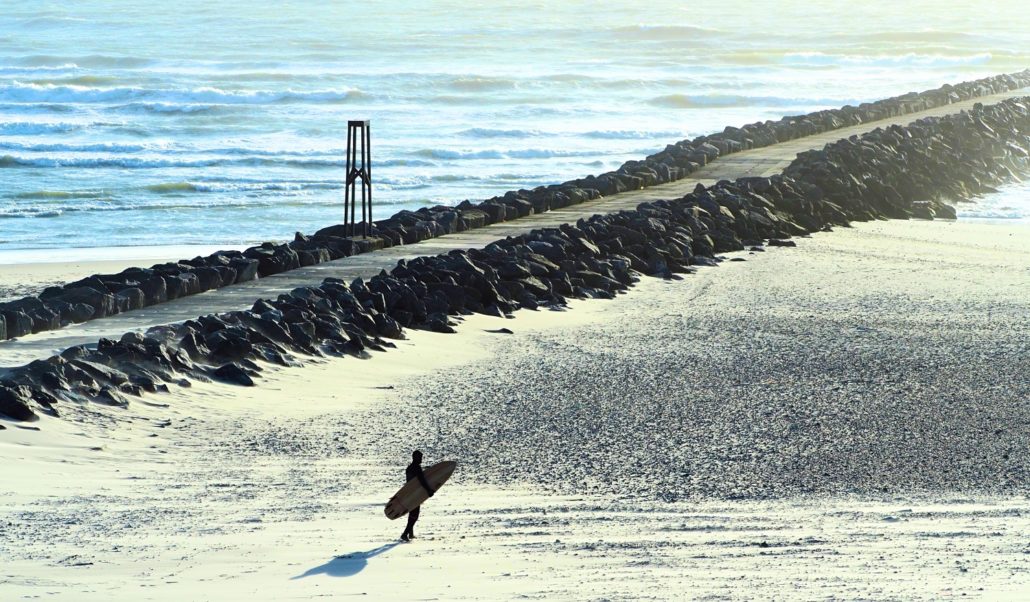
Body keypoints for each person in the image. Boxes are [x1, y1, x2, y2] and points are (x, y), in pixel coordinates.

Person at [401, 450, 434, 541]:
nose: (421, 460)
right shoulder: (417, 468)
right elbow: (421, 481)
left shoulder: (409, 467)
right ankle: (405, 534)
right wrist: (429, 491)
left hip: (409, 493)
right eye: (420, 458)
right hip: (415, 495)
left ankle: (410, 533)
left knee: (412, 513)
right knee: (414, 515)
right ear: (415, 457)